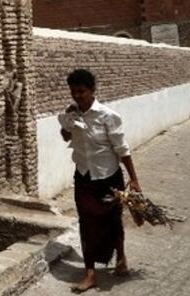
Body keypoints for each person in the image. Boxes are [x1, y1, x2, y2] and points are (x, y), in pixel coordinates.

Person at [58, 68, 141, 293]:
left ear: (93, 90)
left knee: (112, 221)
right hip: (84, 176)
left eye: (81, 92)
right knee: (87, 224)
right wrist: (68, 122)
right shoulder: (72, 112)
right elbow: (65, 136)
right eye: (73, 92)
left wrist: (134, 180)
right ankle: (90, 274)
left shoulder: (108, 116)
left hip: (108, 176)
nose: (77, 96)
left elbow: (122, 149)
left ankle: (121, 258)